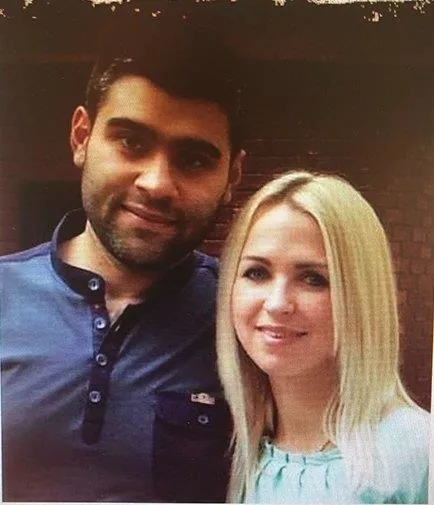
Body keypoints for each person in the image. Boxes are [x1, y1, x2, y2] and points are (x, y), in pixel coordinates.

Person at [0, 14, 244, 502]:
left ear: (232, 178)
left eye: (194, 160)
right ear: (81, 137)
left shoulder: (249, 323)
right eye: (131, 142)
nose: (157, 184)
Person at [216, 170, 429, 503]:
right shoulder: (228, 449)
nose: (277, 303)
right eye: (257, 272)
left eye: (313, 279)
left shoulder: (417, 451)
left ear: (361, 295)